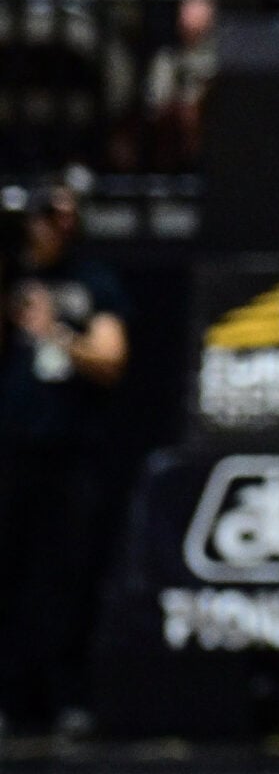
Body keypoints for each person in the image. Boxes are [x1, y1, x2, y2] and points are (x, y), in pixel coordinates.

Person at [0, 174, 128, 732]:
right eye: (49, 217)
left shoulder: (93, 281)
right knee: (9, 572)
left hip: (74, 449)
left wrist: (55, 332)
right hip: (12, 447)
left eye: (68, 218)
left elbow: (111, 361)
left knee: (71, 574)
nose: (60, 227)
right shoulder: (11, 276)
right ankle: (9, 698)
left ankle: (69, 697)